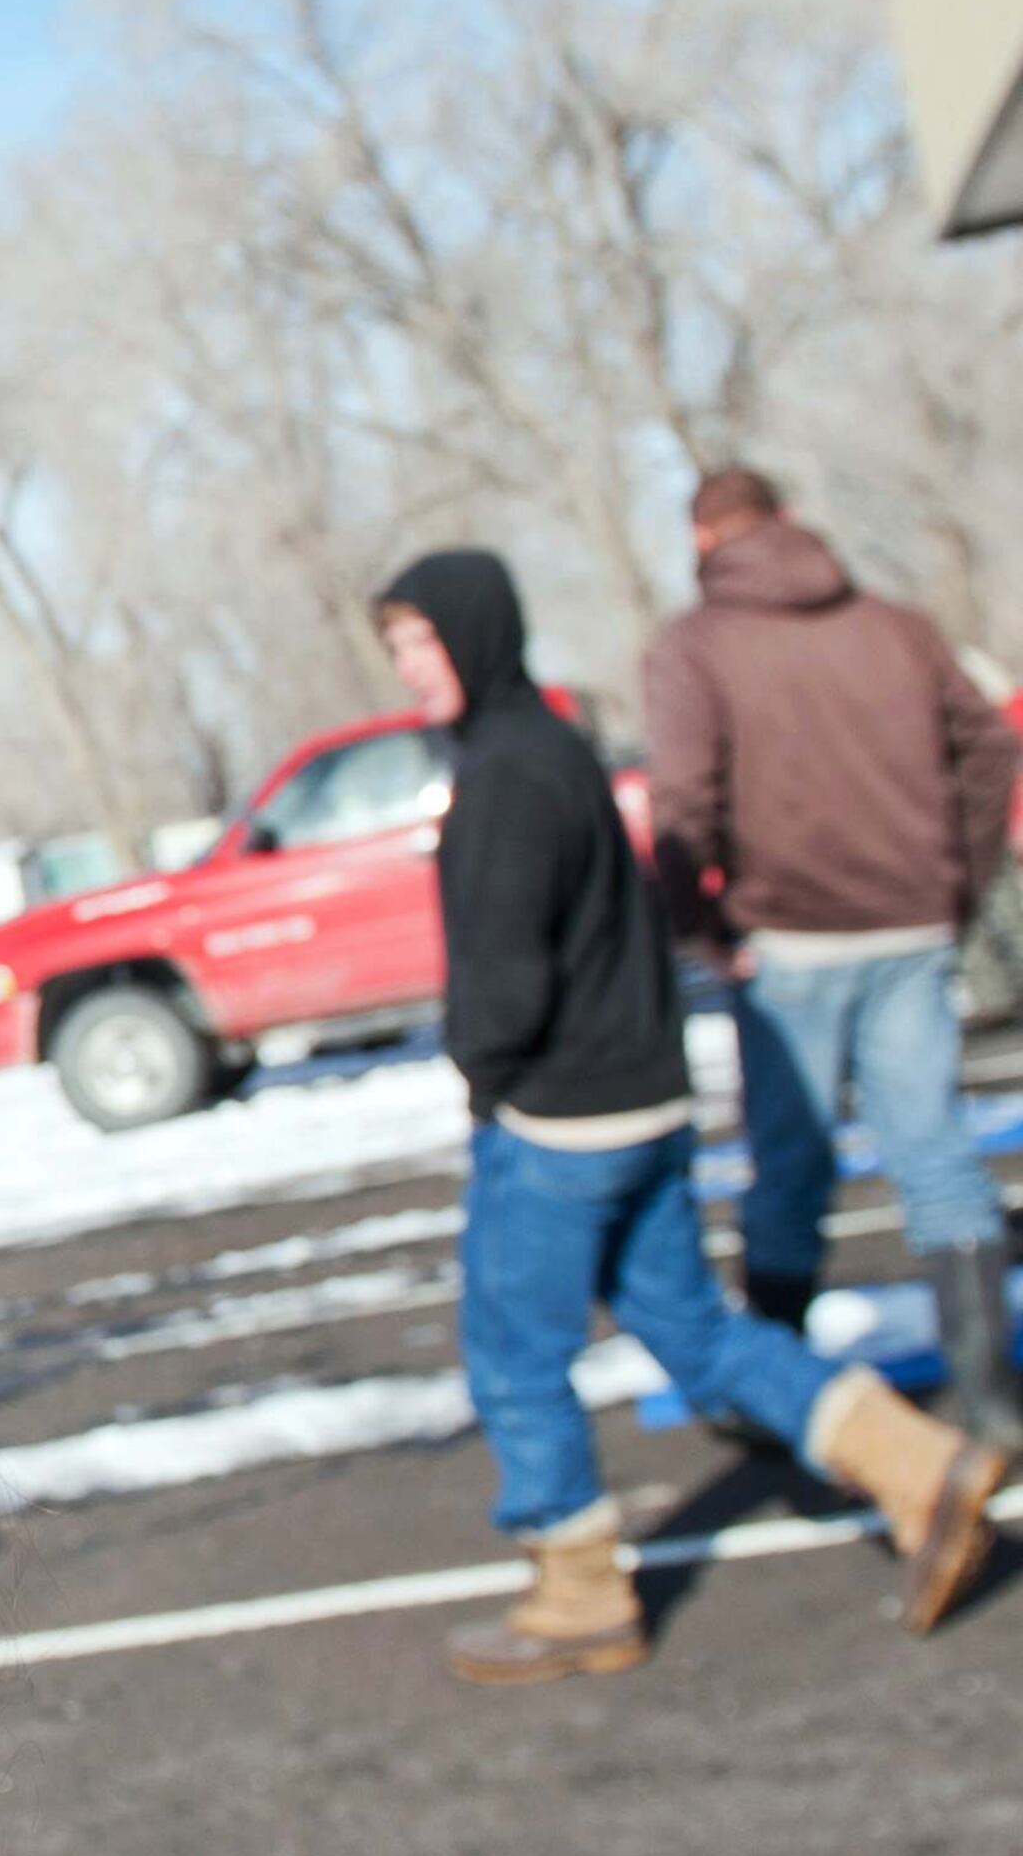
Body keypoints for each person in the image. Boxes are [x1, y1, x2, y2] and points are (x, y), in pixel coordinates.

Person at [379, 547, 1008, 1686]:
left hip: (560, 1119)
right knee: (695, 1330)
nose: (410, 668)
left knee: (515, 1352)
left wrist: (485, 1075)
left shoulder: (508, 778)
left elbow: (506, 980)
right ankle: (917, 1463)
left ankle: (578, 1589)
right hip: (643, 1101)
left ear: (473, 634)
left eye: (420, 642)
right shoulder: (552, 748)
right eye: (397, 649)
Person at [643, 465, 1022, 1435]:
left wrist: (703, 928)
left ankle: (784, 1396)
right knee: (935, 1156)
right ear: (791, 521)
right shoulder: (897, 627)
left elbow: (683, 803)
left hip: (791, 940)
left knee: (792, 1164)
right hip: (906, 925)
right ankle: (990, 1405)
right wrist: (955, 881)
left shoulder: (698, 646)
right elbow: (987, 750)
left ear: (702, 540)